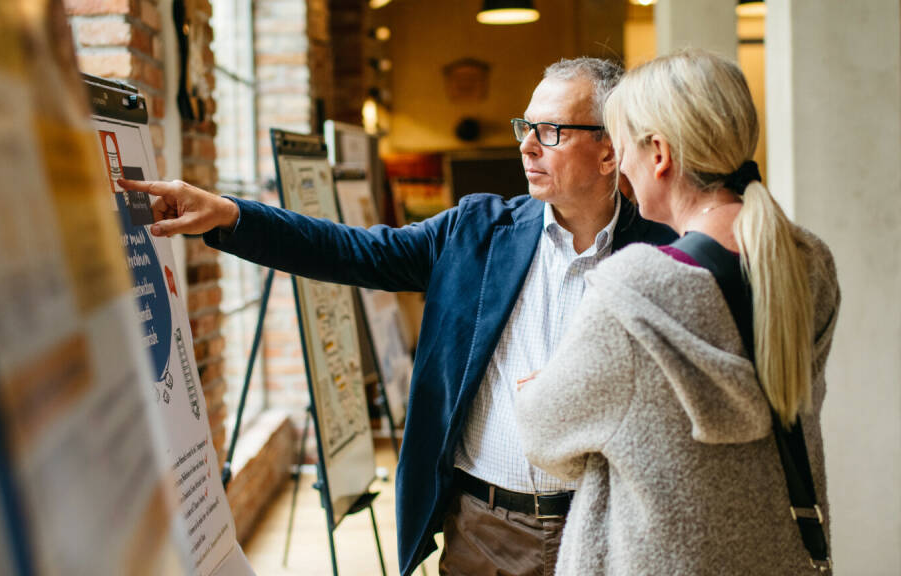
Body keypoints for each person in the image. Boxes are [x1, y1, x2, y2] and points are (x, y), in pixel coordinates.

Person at [118, 56, 676, 576]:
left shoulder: (663, 255)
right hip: (485, 532)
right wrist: (232, 216)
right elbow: (350, 250)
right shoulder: (476, 232)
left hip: (608, 528)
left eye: (550, 131)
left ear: (610, 151)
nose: (528, 147)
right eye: (523, 128)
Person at [514, 49, 841, 575]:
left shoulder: (636, 290)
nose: (622, 171)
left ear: (659, 154)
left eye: (623, 151)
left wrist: (547, 384)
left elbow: (544, 438)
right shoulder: (808, 264)